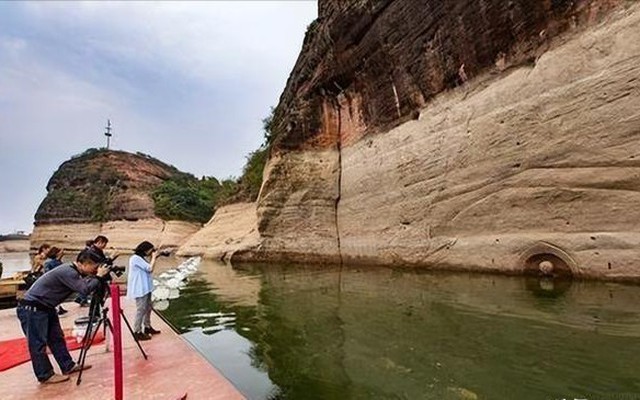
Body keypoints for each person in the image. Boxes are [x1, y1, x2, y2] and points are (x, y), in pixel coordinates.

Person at [16, 249, 109, 384]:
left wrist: (97, 277)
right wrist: (99, 277)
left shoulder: (73, 271)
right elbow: (83, 289)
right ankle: (45, 375)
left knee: (56, 338)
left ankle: (67, 365)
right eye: (94, 268)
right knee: (38, 343)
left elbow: (85, 285)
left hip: (46, 307)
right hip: (33, 308)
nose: (94, 271)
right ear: (85, 263)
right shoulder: (68, 272)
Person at [127, 241, 161, 341]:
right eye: (150, 250)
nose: (151, 252)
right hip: (140, 288)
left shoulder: (141, 258)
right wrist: (154, 258)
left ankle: (147, 327)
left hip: (146, 287)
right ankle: (137, 331)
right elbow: (150, 269)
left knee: (148, 307)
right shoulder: (135, 258)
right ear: (145, 249)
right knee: (141, 309)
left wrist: (155, 257)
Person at [43, 247, 68, 316]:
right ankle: (56, 309)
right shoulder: (51, 262)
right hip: (53, 281)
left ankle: (59, 308)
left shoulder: (54, 261)